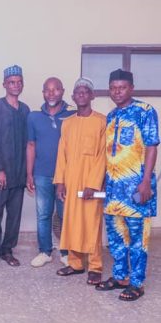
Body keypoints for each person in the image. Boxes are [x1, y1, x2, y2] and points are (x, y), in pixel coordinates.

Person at [96, 69, 159, 301]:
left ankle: (137, 283)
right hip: (114, 191)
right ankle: (120, 277)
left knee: (137, 239)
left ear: (131, 88)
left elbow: (152, 146)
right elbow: (109, 154)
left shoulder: (145, 111)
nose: (117, 92)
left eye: (122, 88)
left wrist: (146, 182)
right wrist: (104, 183)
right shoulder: (111, 116)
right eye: (113, 88)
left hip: (136, 189)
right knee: (116, 238)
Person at [54, 78, 106, 286]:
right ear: (73, 97)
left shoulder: (101, 121)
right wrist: (60, 182)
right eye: (78, 92)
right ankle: (75, 264)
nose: (81, 95)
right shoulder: (67, 123)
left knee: (92, 224)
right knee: (72, 222)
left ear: (92, 96)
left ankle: (95, 267)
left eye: (85, 92)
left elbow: (103, 155)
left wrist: (94, 183)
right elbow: (62, 154)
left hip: (91, 182)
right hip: (71, 180)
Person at [0, 65, 30, 269]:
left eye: (19, 82)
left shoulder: (25, 110)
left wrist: (28, 173)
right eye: (12, 82)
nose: (15, 85)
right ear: (4, 84)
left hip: (18, 173)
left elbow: (28, 143)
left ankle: (7, 250)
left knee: (14, 215)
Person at [26, 77, 74, 267]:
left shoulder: (72, 115)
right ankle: (45, 251)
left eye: (55, 89)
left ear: (62, 91)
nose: (51, 93)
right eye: (47, 90)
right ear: (43, 93)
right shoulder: (33, 117)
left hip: (66, 176)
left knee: (65, 215)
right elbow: (31, 145)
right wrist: (29, 174)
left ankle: (66, 252)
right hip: (41, 174)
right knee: (43, 215)